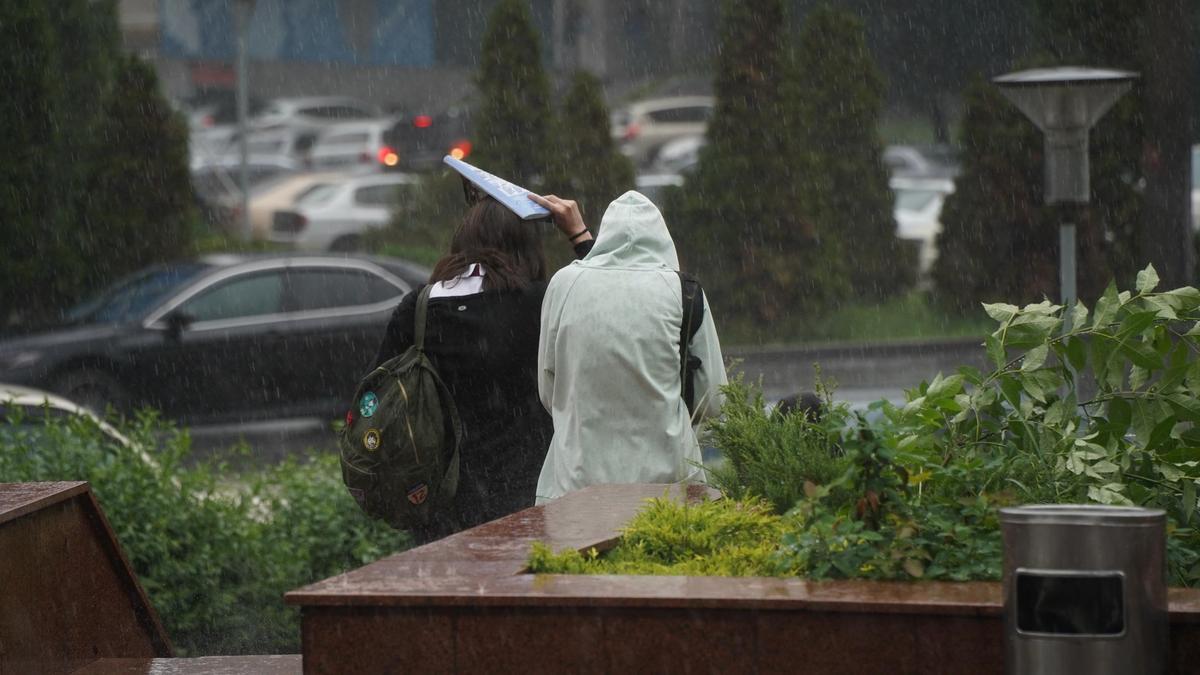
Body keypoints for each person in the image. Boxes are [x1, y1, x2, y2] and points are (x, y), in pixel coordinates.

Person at [372, 194, 593, 541]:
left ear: (462, 243)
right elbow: (606, 304)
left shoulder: (419, 308)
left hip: (442, 498)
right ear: (527, 249)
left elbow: (380, 395)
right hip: (530, 493)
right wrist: (580, 236)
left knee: (455, 591)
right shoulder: (543, 303)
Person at [534, 190, 727, 504]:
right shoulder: (684, 291)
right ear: (664, 240)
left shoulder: (563, 284)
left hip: (576, 484)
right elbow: (714, 399)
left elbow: (549, 390)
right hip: (667, 487)